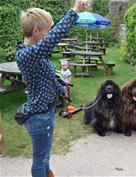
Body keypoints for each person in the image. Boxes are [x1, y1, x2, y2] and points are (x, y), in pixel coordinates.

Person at [15, 1, 88, 177]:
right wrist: (74, 11)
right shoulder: (25, 55)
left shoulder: (36, 54)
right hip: (38, 118)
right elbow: (53, 39)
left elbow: (47, 77)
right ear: (36, 32)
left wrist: (60, 88)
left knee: (45, 158)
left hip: (47, 113)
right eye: (47, 30)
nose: (49, 34)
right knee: (39, 161)